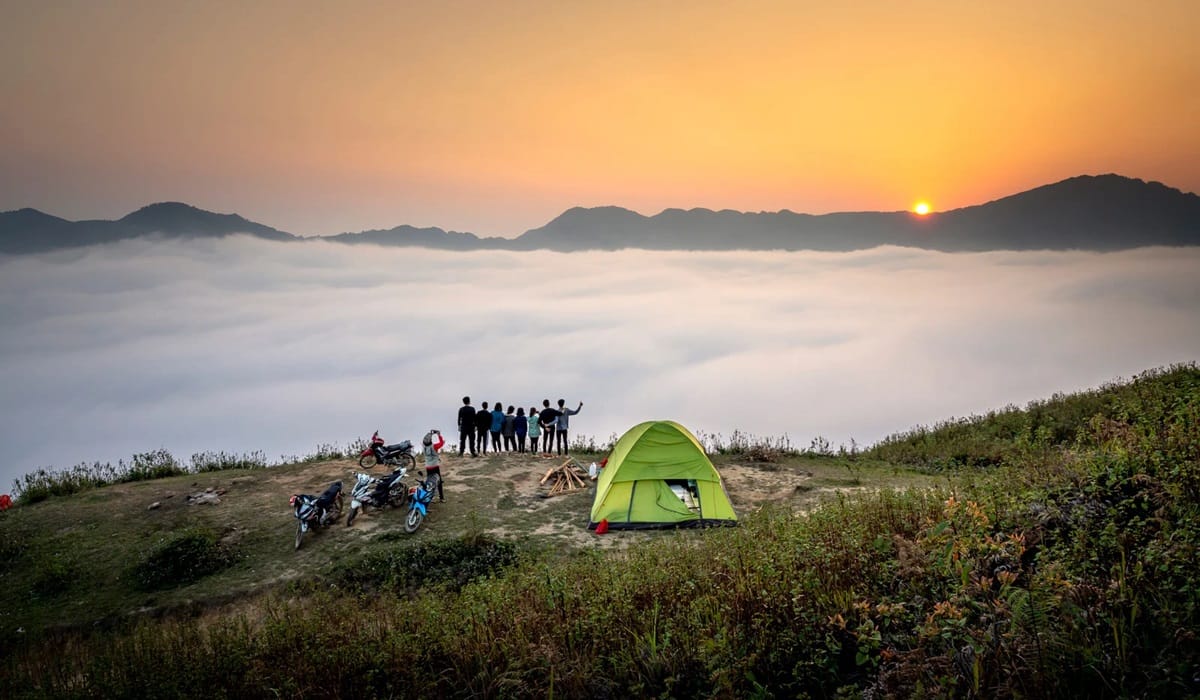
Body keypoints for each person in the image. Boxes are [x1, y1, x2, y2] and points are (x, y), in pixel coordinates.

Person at [421, 429, 445, 502]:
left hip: (428, 467)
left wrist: (430, 434)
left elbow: (425, 440)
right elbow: (442, 443)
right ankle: (441, 498)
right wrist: (438, 435)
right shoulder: (435, 446)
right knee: (438, 481)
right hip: (435, 466)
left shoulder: (424, 447)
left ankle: (429, 497)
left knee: (429, 482)